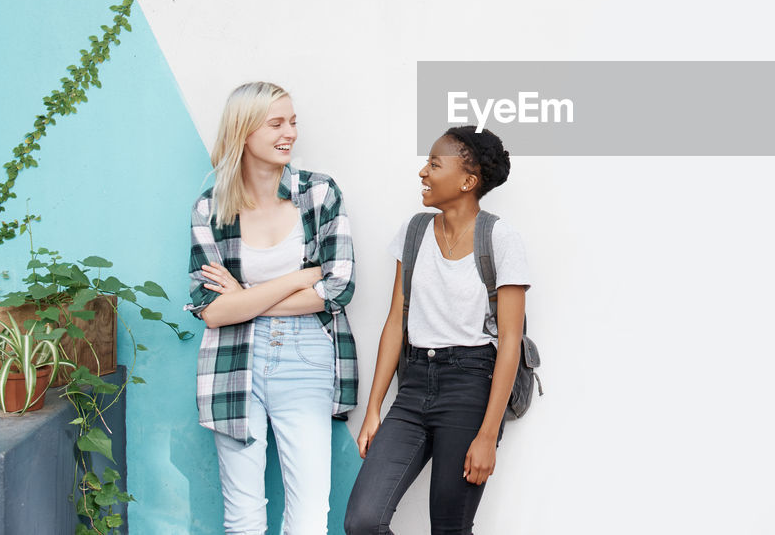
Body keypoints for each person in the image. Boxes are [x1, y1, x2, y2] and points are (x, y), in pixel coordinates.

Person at [185, 81, 358, 534]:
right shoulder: (210, 208)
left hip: (306, 355)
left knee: (308, 516)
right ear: (243, 132)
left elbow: (339, 288)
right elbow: (212, 311)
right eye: (276, 123)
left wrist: (243, 298)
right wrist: (300, 277)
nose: (290, 133)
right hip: (230, 356)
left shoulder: (319, 194)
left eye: (293, 122)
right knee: (242, 514)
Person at [344, 127, 530, 535]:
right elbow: (396, 321)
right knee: (363, 522)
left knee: (449, 529)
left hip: (470, 387)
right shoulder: (414, 232)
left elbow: (509, 346)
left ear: (467, 181)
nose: (422, 173)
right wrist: (375, 408)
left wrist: (487, 434)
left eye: (433, 163)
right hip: (412, 389)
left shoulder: (500, 238)